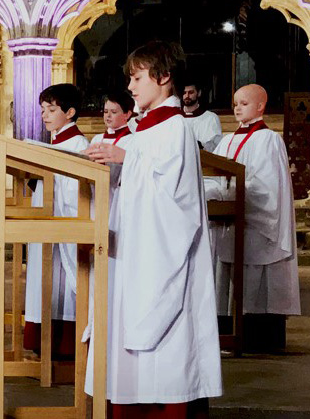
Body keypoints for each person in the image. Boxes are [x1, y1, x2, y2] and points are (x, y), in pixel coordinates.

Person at [86, 41, 222, 417]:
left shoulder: (174, 128)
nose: (130, 87)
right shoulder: (144, 130)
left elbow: (175, 204)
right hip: (132, 252)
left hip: (156, 257)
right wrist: (110, 166)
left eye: (137, 77)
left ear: (164, 78)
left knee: (166, 350)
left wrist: (126, 160)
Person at [205, 84, 300, 352]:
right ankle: (228, 333)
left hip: (256, 226)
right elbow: (213, 176)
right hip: (229, 222)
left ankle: (260, 338)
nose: (237, 108)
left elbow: (267, 188)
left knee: (257, 279)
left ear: (260, 106)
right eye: (235, 103)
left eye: (244, 103)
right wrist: (210, 193)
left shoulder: (269, 140)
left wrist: (230, 193)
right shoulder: (226, 140)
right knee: (226, 279)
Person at [23, 83, 90, 357]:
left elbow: (78, 191)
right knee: (43, 280)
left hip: (63, 224)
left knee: (62, 284)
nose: (45, 115)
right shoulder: (54, 143)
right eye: (42, 110)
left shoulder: (79, 145)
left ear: (70, 112)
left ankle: (64, 345)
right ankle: (43, 341)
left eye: (51, 109)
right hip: (46, 221)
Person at [89, 90, 135, 188]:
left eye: (113, 112)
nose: (108, 116)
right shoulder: (97, 139)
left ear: (127, 114)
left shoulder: (132, 140)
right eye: (105, 111)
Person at [182, 79, 223, 151]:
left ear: (199, 93)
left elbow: (218, 146)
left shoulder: (211, 118)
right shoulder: (176, 118)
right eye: (184, 93)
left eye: (191, 92)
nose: (187, 96)